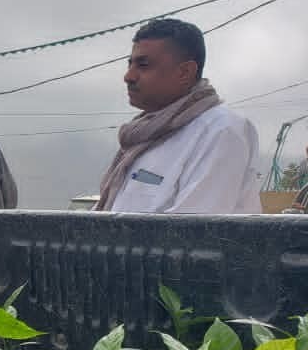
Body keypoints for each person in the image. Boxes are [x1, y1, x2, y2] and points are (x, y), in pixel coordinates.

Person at [94, 18, 260, 213]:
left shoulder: (222, 130)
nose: (128, 76)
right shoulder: (143, 136)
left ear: (184, 72)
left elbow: (191, 231)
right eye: (130, 64)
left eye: (143, 65)